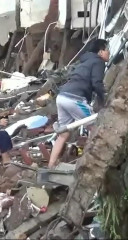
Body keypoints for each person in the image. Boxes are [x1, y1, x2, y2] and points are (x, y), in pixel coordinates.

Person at [48, 39, 110, 169]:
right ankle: (94, 165)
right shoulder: (98, 62)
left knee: (63, 134)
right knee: (95, 128)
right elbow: (97, 83)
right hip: (74, 99)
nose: (108, 52)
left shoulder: (85, 61)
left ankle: (50, 166)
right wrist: (103, 101)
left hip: (62, 97)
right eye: (107, 49)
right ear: (100, 51)